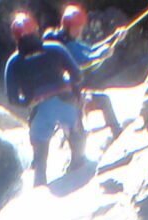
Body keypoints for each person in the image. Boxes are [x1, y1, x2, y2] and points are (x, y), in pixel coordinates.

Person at [3, 10, 83, 188]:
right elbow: (77, 76)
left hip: (39, 110)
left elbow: (13, 99)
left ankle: (40, 180)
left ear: (16, 39)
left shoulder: (13, 62)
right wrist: (67, 87)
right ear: (36, 30)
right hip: (65, 103)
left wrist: (29, 102)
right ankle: (78, 160)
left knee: (40, 162)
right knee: (75, 130)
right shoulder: (55, 48)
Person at [49, 4, 121, 136]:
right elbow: (87, 59)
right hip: (68, 98)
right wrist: (101, 54)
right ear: (72, 27)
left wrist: (114, 38)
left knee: (99, 102)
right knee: (103, 101)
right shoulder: (67, 45)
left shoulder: (62, 39)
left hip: (63, 95)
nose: (81, 31)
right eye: (79, 27)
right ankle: (117, 133)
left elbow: (91, 49)